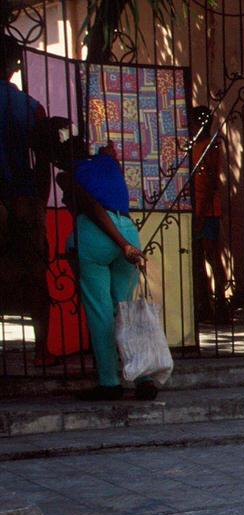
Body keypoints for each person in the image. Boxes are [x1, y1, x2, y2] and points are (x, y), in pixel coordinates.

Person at [54, 136, 151, 400]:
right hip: (129, 230)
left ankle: (109, 382)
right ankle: (143, 377)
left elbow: (93, 208)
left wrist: (120, 245)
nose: (63, 199)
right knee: (125, 309)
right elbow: (109, 159)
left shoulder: (67, 175)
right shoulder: (107, 163)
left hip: (98, 235)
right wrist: (126, 244)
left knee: (100, 312)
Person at [0, 36, 55, 366]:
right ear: (15, 66)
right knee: (36, 276)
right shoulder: (33, 107)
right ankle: (41, 351)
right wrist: (40, 203)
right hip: (24, 198)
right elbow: (44, 160)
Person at [188, 105, 228, 323]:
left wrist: (202, 213)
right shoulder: (194, 146)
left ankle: (220, 302)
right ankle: (205, 303)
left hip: (208, 210)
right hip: (197, 208)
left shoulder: (210, 146)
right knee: (197, 259)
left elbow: (211, 181)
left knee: (211, 256)